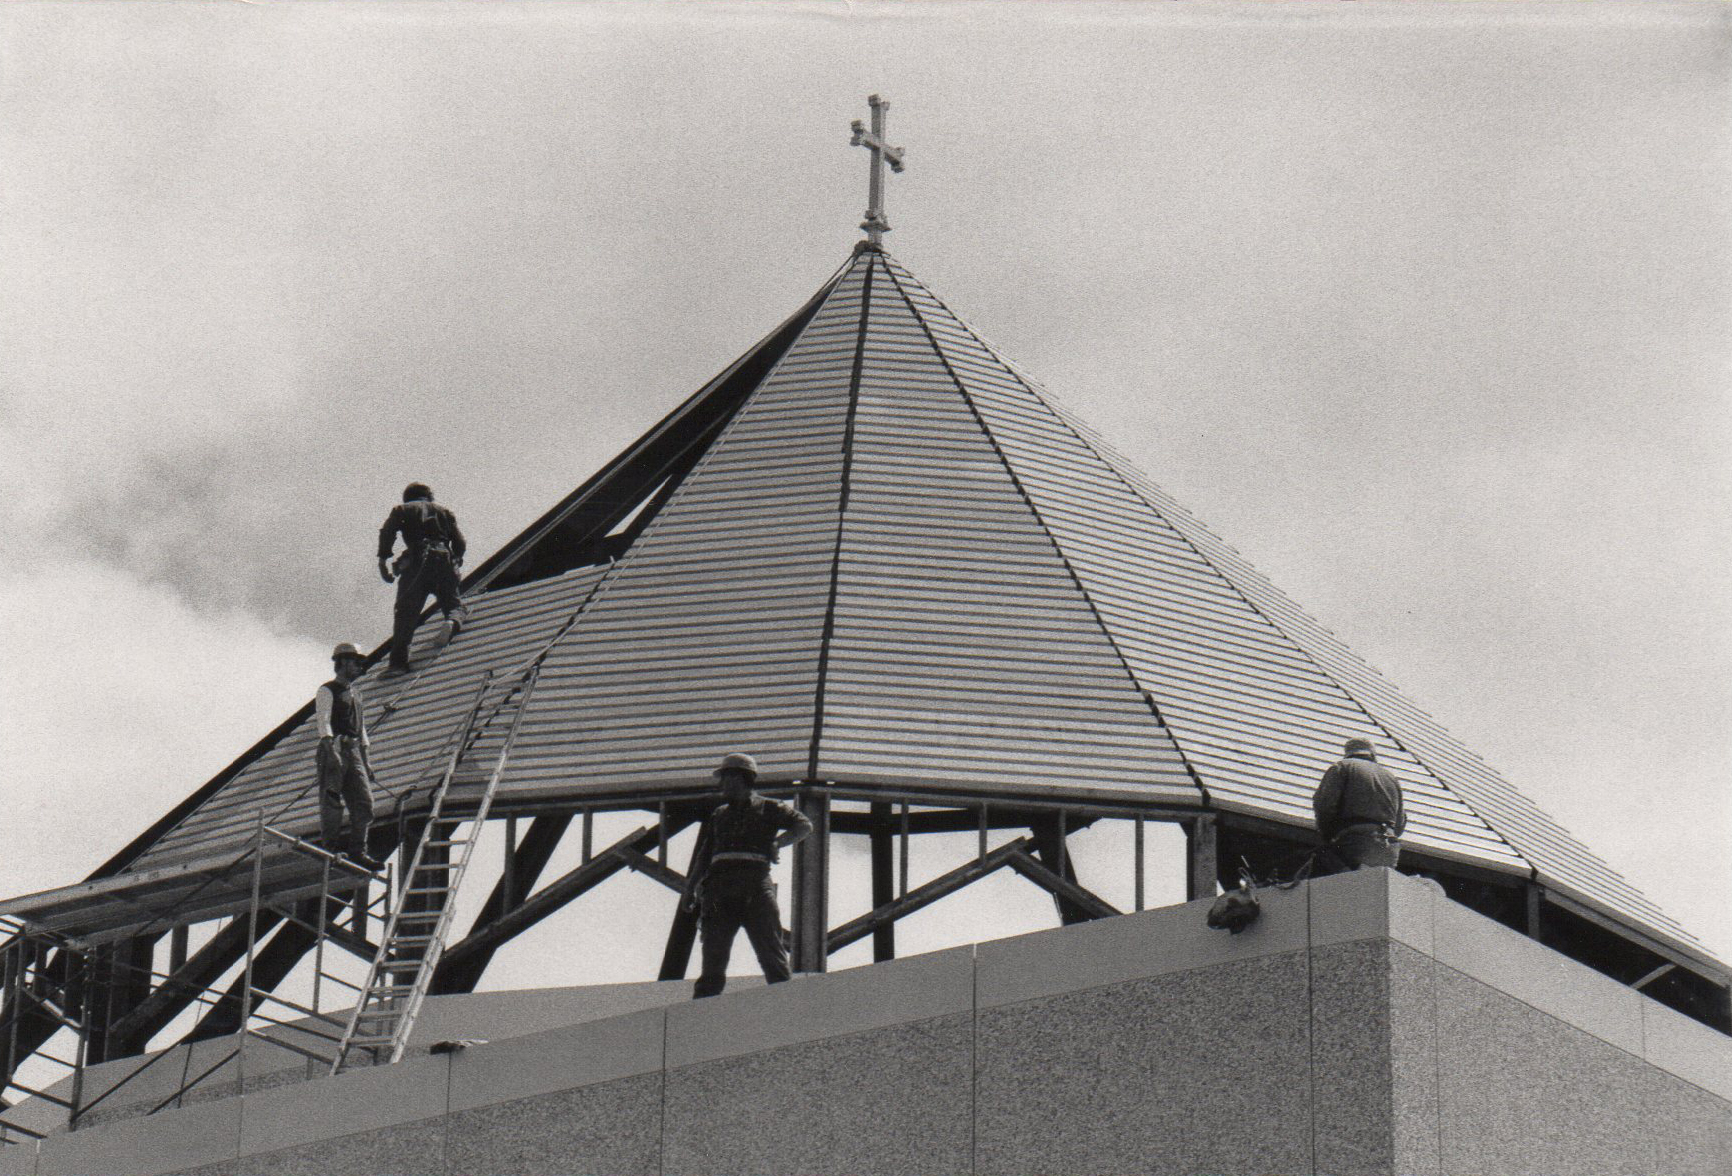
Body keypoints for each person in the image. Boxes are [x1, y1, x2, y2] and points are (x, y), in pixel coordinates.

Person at [686, 753, 812, 999]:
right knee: (713, 960)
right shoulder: (719, 814)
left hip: (755, 888)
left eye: (725, 778)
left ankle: (789, 1010)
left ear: (740, 778)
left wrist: (778, 843)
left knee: (771, 955)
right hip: (719, 890)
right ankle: (700, 1020)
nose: (721, 784)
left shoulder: (770, 808)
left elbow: (804, 825)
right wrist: (689, 889)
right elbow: (704, 854)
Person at [378, 482, 468, 674]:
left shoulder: (402, 510)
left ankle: (398, 664)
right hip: (443, 559)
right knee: (453, 604)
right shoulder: (445, 512)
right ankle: (452, 622)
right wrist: (456, 559)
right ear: (428, 496)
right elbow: (460, 542)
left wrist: (383, 561)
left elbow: (387, 532)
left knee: (405, 613)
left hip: (417, 561)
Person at [315, 643, 385, 871]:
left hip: (354, 750)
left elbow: (361, 728)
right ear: (343, 662)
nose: (359, 667)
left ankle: (358, 851)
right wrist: (330, 750)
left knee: (364, 803)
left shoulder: (357, 694)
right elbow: (324, 721)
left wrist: (367, 760)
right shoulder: (327, 690)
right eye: (356, 662)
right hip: (335, 745)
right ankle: (331, 848)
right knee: (332, 798)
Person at [1312, 736, 1406, 874]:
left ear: (1348, 753)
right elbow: (1400, 822)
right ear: (1373, 755)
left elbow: (1325, 806)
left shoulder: (1342, 767)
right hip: (1389, 848)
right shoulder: (1391, 777)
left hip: (1356, 843)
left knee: (1323, 860)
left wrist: (1327, 836)